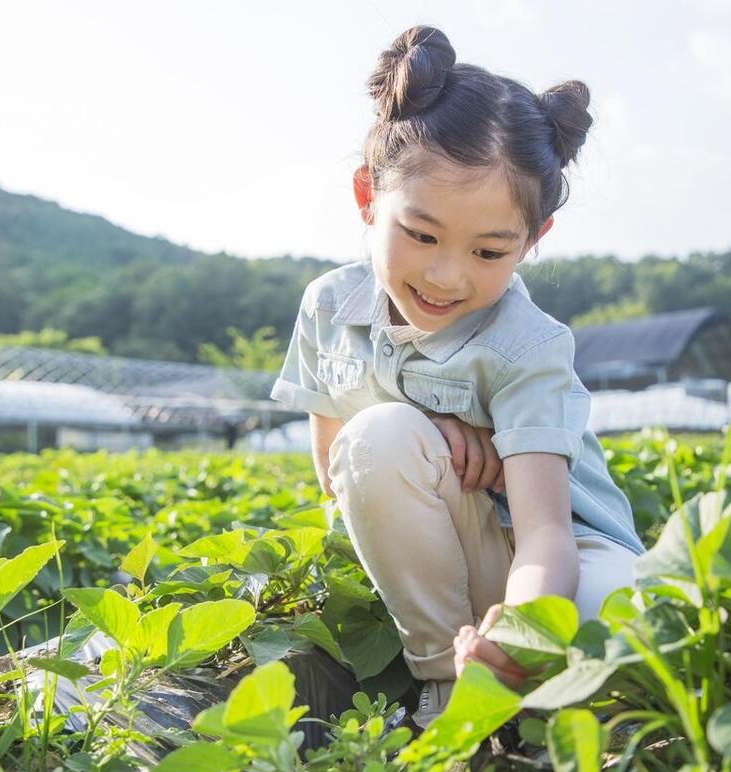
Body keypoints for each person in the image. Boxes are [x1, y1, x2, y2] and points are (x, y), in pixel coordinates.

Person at [270, 24, 646, 731]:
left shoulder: (526, 344)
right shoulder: (328, 305)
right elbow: (336, 469)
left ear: (532, 243)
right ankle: (447, 683)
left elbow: (547, 536)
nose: (447, 276)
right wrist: (433, 437)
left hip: (559, 559)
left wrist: (529, 625)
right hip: (443, 568)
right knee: (380, 436)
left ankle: (511, 665)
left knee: (626, 627)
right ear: (367, 197)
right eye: (421, 234)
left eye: (488, 251)